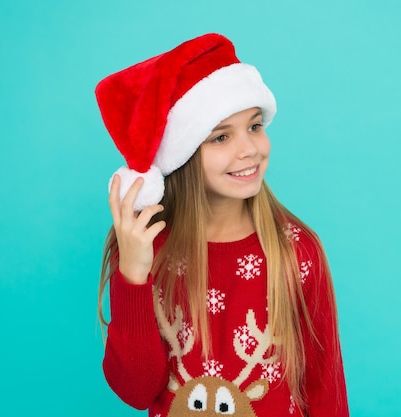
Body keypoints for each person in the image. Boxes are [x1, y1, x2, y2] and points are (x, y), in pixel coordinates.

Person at [96, 33, 349, 417]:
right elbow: (136, 390)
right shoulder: (146, 248)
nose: (249, 149)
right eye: (221, 137)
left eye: (254, 126)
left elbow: (325, 388)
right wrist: (133, 275)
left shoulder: (296, 251)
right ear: (182, 151)